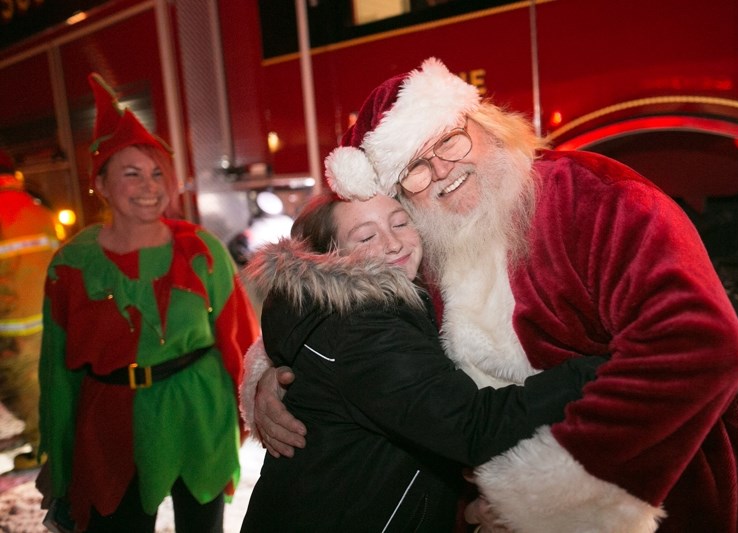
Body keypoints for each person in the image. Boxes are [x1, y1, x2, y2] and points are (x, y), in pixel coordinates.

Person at [249, 57, 738, 532]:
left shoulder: (596, 199)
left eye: (449, 139)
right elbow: (323, 281)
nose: (442, 170)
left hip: (661, 500)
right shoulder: (413, 244)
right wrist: (275, 372)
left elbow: (700, 346)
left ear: (486, 124)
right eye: (414, 167)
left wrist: (548, 503)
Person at [238, 191, 604, 532]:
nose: (393, 242)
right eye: (366, 237)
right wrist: (599, 371)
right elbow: (472, 427)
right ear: (327, 257)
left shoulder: (342, 307)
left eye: (400, 222)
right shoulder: (362, 328)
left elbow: (402, 439)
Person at [37, 73, 259, 532]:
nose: (149, 185)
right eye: (131, 173)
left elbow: (240, 341)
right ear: (100, 182)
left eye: (158, 172)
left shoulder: (201, 250)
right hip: (113, 424)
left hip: (198, 413)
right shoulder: (71, 266)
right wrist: (59, 459)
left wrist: (256, 410)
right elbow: (57, 372)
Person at [0, 149, 61, 471]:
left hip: (12, 321)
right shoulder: (37, 207)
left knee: (22, 385)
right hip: (44, 313)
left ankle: (44, 449)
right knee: (41, 381)